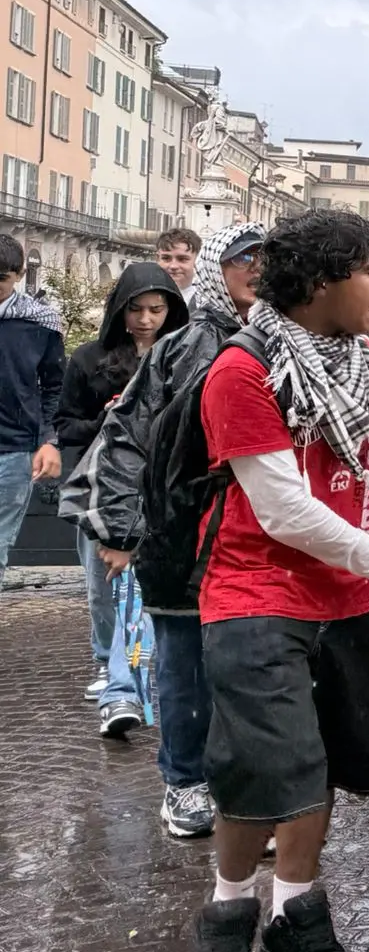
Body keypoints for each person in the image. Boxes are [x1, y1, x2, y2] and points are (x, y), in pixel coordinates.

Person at [184, 210, 369, 952]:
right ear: (322, 281)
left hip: (340, 598)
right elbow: (285, 512)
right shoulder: (242, 371)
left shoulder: (357, 363)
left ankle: (294, 907)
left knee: (325, 763)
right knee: (269, 765)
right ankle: (228, 908)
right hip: (254, 596)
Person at [80, 225, 264, 839]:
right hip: (183, 536)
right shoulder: (184, 347)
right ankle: (184, 781)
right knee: (184, 668)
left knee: (250, 667)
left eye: (266, 259)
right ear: (218, 266)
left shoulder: (289, 343)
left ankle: (239, 780)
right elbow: (128, 439)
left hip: (260, 535)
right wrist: (120, 529)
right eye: (243, 259)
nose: (256, 269)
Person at [57, 263, 187, 710]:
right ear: (120, 310)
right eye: (137, 310)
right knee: (102, 584)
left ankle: (138, 667)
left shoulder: (184, 353)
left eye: (156, 309)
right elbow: (67, 424)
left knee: (152, 582)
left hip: (161, 486)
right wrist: (108, 416)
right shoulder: (90, 358)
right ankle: (107, 662)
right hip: (101, 485)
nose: (147, 320)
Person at [0, 233, 64, 585]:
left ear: (19, 275)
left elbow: (55, 388)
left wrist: (48, 440)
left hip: (13, 449)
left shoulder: (41, 323)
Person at [156, 226, 202, 294]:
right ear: (157, 259)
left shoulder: (208, 301)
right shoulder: (141, 297)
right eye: (166, 258)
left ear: (197, 261)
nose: (173, 266)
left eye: (182, 259)